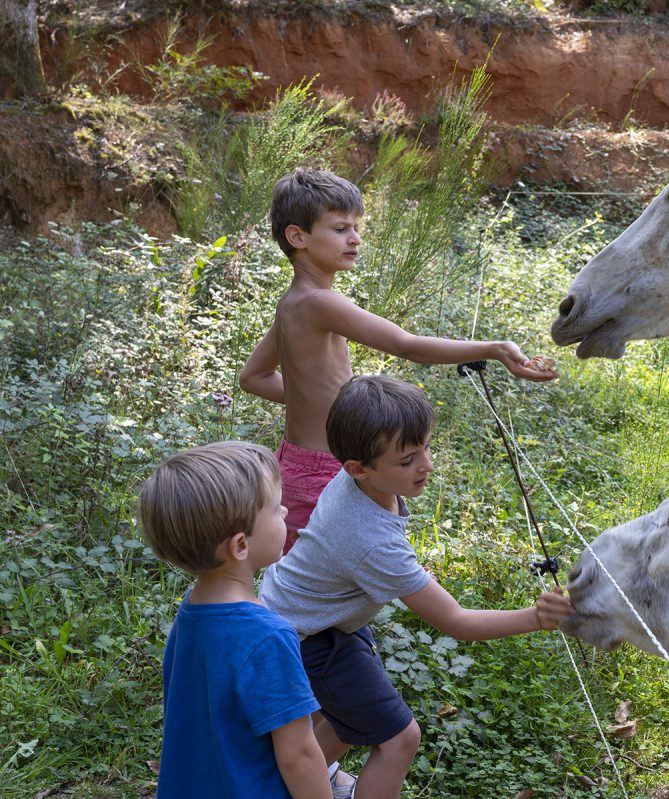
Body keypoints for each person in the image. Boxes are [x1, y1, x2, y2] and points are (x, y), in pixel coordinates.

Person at [261, 375, 573, 799]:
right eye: (407, 460)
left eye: (425, 446)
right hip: (306, 635)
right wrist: (536, 618)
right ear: (357, 468)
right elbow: (457, 621)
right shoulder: (372, 543)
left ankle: (295, 782)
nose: (426, 464)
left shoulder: (359, 480)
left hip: (302, 612)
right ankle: (296, 784)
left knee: (349, 714)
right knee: (400, 738)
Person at [239, 167, 557, 554]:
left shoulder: (293, 301)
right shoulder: (321, 302)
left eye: (356, 227)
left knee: (307, 575)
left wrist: (314, 402)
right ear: (298, 236)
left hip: (295, 460)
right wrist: (494, 349)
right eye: (340, 229)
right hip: (325, 468)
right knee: (323, 577)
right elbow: (407, 346)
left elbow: (253, 377)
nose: (354, 238)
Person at [138, 441, 332, 799]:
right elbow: (299, 754)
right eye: (275, 509)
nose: (287, 511)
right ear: (240, 545)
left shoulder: (192, 612)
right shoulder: (268, 636)